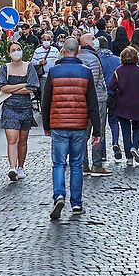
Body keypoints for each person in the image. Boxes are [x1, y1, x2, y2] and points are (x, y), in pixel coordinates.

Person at [40, 39, 98, 222]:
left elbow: (46, 101)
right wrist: (97, 130)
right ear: (78, 51)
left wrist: (46, 125)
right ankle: (76, 203)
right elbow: (93, 104)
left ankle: (59, 196)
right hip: (79, 126)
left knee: (58, 164)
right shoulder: (86, 72)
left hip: (58, 124)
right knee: (76, 165)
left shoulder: (54, 72)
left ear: (63, 51)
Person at [0, 43, 37, 180]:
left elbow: (32, 88)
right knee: (12, 139)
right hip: (9, 107)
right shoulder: (5, 68)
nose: (16, 52)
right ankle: (12, 167)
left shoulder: (29, 66)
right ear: (9, 53)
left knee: (23, 140)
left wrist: (11, 87)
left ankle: (21, 167)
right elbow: (2, 87)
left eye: (18, 49)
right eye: (13, 50)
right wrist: (22, 85)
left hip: (25, 107)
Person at [109, 50, 139, 165]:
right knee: (137, 127)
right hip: (137, 103)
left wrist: (117, 90)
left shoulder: (119, 71)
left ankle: (129, 158)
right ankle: (134, 147)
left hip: (122, 103)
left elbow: (112, 85)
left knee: (125, 130)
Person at [88, 35, 120, 173]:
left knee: (99, 126)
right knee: (113, 121)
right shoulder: (117, 59)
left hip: (99, 96)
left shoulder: (96, 59)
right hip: (114, 94)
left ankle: (102, 153)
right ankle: (115, 142)